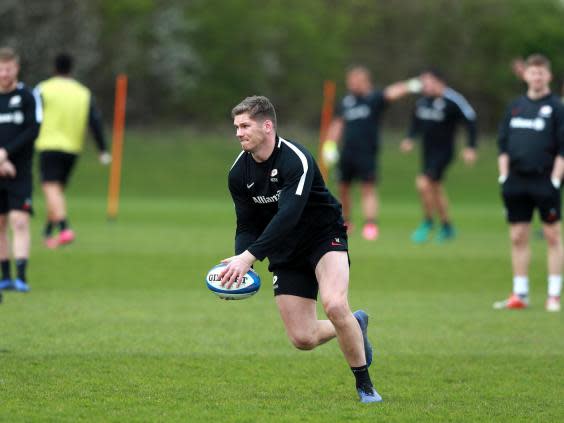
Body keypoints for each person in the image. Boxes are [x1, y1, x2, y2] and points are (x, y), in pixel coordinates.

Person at [221, 96, 381, 403]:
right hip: (285, 251)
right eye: (236, 127)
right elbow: (246, 225)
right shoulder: (238, 174)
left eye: (245, 126)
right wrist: (244, 264)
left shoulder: (297, 159)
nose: (239, 133)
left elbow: (288, 215)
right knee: (303, 338)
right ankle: (354, 324)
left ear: (267, 126)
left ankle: (365, 386)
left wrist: (249, 256)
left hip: (323, 237)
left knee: (334, 305)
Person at [494, 54, 564, 312]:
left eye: (541, 73)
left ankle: (553, 294)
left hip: (545, 180)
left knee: (552, 235)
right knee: (518, 236)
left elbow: (562, 148)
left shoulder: (557, 108)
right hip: (516, 181)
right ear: (526, 75)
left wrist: (556, 179)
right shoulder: (515, 107)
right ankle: (520, 293)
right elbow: (503, 145)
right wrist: (503, 175)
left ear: (548, 76)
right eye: (532, 73)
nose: (536, 77)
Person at [323, 65, 422, 240]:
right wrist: (330, 145)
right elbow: (337, 124)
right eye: (350, 81)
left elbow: (392, 92)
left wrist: (413, 84)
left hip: (367, 152)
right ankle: (346, 222)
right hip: (347, 152)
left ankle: (370, 224)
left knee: (367, 188)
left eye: (355, 81)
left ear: (364, 81)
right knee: (343, 187)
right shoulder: (346, 101)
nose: (352, 85)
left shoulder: (374, 98)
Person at [35, 53, 110, 249]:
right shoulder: (83, 92)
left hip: (49, 144)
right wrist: (102, 149)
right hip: (72, 148)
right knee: (57, 191)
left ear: (54, 68)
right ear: (71, 69)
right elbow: (95, 122)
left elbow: (31, 115)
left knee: (50, 188)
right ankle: (48, 234)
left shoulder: (43, 88)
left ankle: (64, 227)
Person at [399, 69, 477, 243]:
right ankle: (447, 227)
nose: (424, 86)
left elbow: (470, 120)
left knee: (422, 183)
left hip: (444, 152)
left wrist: (471, 147)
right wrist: (410, 139)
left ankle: (427, 222)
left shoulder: (453, 100)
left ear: (439, 82)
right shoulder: (422, 102)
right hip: (427, 152)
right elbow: (415, 123)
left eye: (427, 82)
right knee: (435, 189)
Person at [0, 47, 42, 293]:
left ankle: (22, 277)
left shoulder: (28, 96)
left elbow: (33, 130)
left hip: (20, 171)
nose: (4, 74)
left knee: (19, 220)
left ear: (17, 68)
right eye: (1, 69)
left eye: (8, 69)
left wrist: (6, 154)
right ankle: (4, 276)